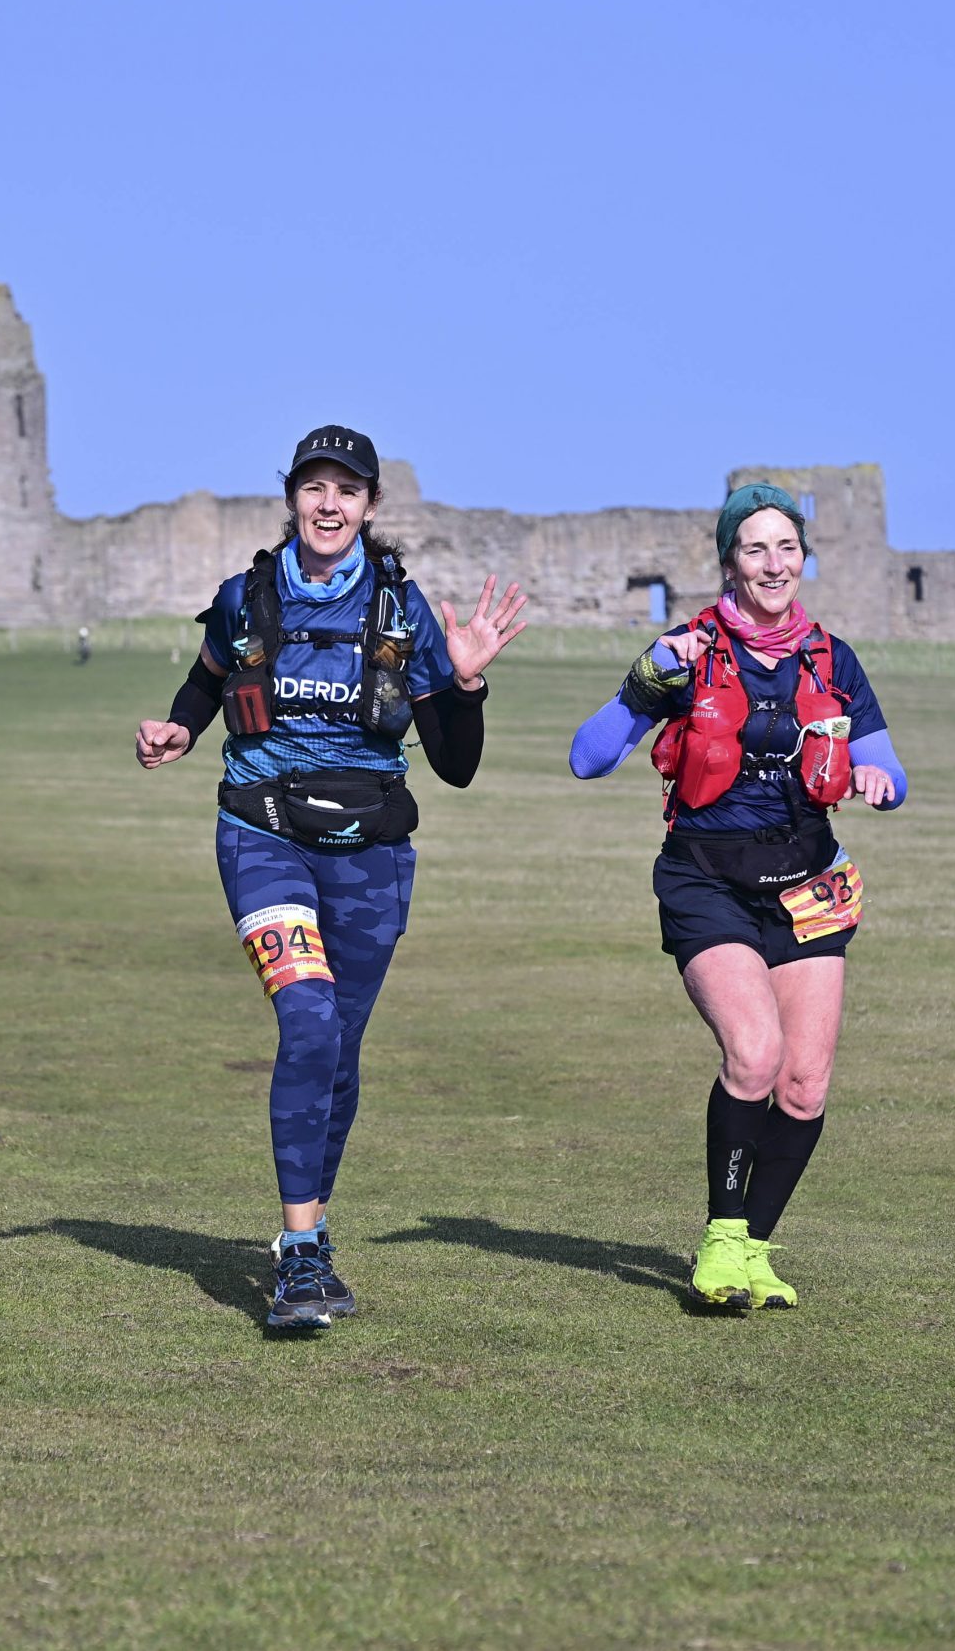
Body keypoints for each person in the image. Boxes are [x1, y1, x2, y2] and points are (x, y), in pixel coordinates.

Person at [134, 424, 527, 1330]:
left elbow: (456, 767)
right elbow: (205, 682)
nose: (329, 504)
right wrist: (178, 729)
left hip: (372, 852)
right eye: (314, 487)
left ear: (370, 506)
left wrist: (465, 685)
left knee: (338, 1052)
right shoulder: (244, 597)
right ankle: (302, 1252)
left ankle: (311, 1233)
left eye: (347, 490)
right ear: (292, 498)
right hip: (261, 835)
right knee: (308, 1020)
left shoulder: (401, 609)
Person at [567, 482, 910, 1311]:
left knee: (805, 1084)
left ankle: (754, 1248)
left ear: (804, 558)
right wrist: (645, 681)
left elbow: (890, 770)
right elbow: (587, 758)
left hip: (807, 884)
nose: (773, 563)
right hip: (707, 879)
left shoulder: (832, 659)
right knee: (755, 1055)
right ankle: (721, 1239)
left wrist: (878, 782)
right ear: (730, 562)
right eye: (755, 548)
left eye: (787, 547)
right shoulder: (688, 654)